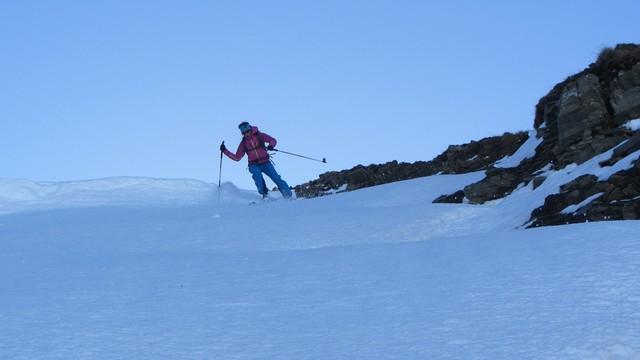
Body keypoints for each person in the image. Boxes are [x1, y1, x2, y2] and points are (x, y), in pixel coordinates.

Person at [220, 122, 293, 199]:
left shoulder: (260, 136)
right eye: (243, 131)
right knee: (257, 175)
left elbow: (273, 140)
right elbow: (237, 157)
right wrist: (225, 150)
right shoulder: (243, 143)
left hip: (266, 162)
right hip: (253, 164)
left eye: (247, 130)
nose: (246, 133)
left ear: (250, 128)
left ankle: (288, 196)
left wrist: (271, 145)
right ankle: (265, 194)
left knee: (275, 177)